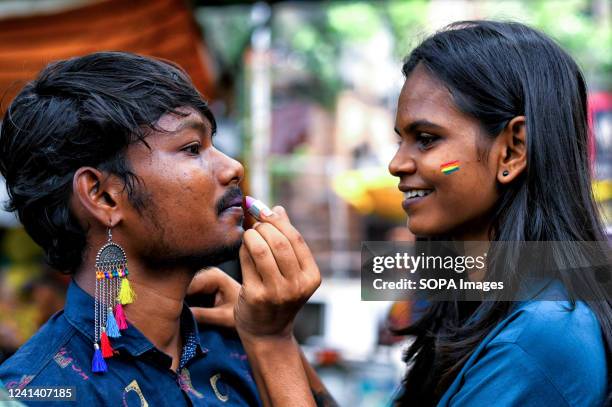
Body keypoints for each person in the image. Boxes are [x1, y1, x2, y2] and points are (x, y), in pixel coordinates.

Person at [0, 51, 332, 406]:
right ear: (104, 197)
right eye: (192, 148)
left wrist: (276, 337)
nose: (233, 167)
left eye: (212, 144)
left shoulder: (245, 343)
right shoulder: (34, 393)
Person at [387, 21, 611, 406]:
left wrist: (271, 343)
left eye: (426, 139)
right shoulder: (484, 305)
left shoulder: (541, 335)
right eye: (401, 139)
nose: (396, 163)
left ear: (512, 151)